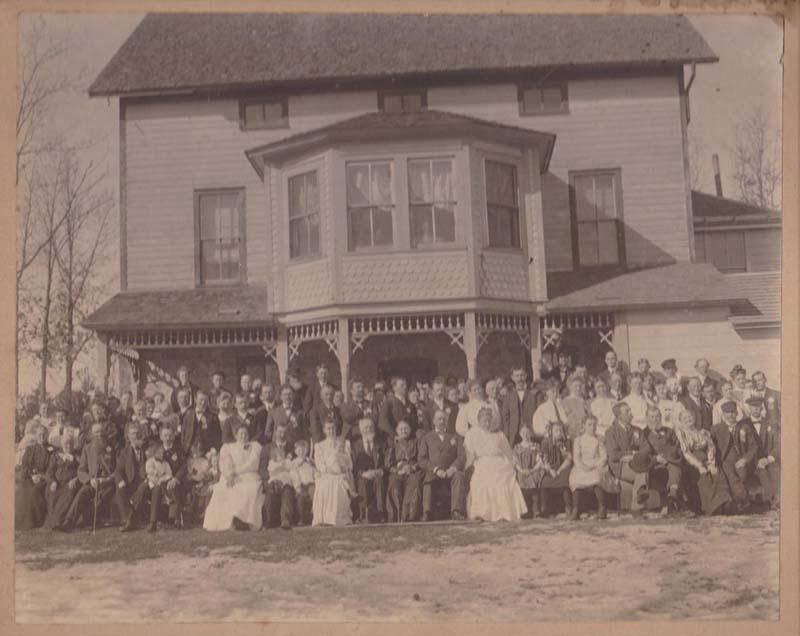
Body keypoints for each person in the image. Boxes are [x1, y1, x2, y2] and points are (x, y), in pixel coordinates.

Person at [464, 406, 527, 522]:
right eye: (484, 421)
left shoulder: (499, 434)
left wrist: (514, 463)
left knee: (504, 480)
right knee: (481, 481)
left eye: (489, 420)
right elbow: (470, 454)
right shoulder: (472, 434)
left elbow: (508, 452)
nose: (487, 423)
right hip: (482, 462)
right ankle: (481, 513)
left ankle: (503, 514)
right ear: (479, 421)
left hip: (499, 462)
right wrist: (467, 467)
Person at [204, 424, 266, 531]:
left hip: (249, 475)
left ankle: (244, 520)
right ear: (236, 435)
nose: (243, 436)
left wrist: (235, 472)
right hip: (231, 476)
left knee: (248, 489)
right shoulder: (228, 447)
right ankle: (228, 521)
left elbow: (252, 464)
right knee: (222, 489)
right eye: (241, 434)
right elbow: (225, 463)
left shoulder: (255, 446)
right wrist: (228, 474)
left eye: (245, 433)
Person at [58, 422, 117, 531]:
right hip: (92, 482)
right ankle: (68, 522)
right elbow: (81, 471)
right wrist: (90, 480)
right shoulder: (87, 448)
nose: (99, 435)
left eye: (101, 432)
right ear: (91, 434)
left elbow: (117, 470)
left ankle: (87, 520)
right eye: (96, 433)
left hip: (107, 483)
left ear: (104, 434)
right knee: (82, 493)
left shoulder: (112, 447)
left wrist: (107, 479)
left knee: (102, 498)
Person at [628, 406, 683, 514]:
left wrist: (666, 457)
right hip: (652, 464)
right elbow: (639, 454)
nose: (655, 419)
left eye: (658, 416)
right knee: (670, 467)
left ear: (661, 417)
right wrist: (656, 458)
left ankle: (673, 493)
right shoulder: (642, 434)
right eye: (652, 417)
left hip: (669, 462)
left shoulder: (669, 431)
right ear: (646, 418)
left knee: (674, 466)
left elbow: (677, 447)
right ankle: (671, 495)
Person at [675, 410, 730, 516]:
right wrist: (699, 465)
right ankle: (711, 507)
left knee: (717, 472)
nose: (688, 420)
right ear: (681, 421)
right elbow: (686, 452)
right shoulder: (681, 432)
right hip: (691, 462)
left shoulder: (702, 432)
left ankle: (724, 502)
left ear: (694, 418)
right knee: (703, 476)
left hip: (706, 459)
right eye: (685, 418)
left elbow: (710, 447)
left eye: (690, 417)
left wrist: (711, 463)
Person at [418, 409, 467, 521]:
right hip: (434, 472)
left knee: (459, 476)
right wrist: (436, 470)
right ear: (434, 421)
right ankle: (427, 512)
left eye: (444, 419)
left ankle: (456, 511)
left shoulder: (455, 437)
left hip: (450, 472)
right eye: (439, 419)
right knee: (428, 479)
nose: (442, 421)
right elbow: (422, 459)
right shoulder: (426, 437)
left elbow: (461, 456)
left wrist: (452, 468)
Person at [712, 400, 758, 513]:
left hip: (740, 460)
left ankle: (736, 503)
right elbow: (711, 447)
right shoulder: (716, 428)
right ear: (723, 414)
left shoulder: (744, 427)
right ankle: (742, 501)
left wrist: (745, 459)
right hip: (724, 460)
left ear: (737, 413)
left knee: (741, 474)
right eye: (728, 412)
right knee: (731, 475)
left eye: (733, 412)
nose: (731, 415)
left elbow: (754, 447)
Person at [312, 418, 355, 526]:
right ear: (324, 430)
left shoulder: (343, 443)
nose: (331, 431)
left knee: (339, 483)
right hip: (326, 474)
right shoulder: (319, 446)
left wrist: (340, 460)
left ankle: (338, 518)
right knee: (325, 484)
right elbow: (320, 464)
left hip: (340, 473)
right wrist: (329, 470)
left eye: (333, 428)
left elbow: (348, 463)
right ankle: (325, 518)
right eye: (328, 429)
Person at [603, 402, 644, 512]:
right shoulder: (611, 432)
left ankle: (636, 505)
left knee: (643, 472)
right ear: (619, 416)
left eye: (630, 410)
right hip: (619, 466)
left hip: (636, 463)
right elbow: (614, 455)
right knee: (643, 472)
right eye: (627, 411)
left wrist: (632, 456)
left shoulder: (637, 430)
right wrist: (631, 455)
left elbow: (645, 449)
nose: (631, 413)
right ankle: (637, 506)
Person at [742, 396, 780, 509]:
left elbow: (777, 444)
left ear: (761, 408)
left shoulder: (769, 424)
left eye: (758, 407)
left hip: (767, 458)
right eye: (753, 407)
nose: (755, 409)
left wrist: (769, 458)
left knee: (775, 468)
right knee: (762, 473)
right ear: (749, 409)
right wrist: (756, 461)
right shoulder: (743, 425)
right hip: (752, 461)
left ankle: (780, 498)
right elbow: (742, 447)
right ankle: (771, 500)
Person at [568, 415, 608, 520]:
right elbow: (576, 457)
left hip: (595, 464)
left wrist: (596, 465)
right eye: (589, 425)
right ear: (584, 426)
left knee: (597, 478)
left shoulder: (598, 440)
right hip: (582, 465)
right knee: (575, 479)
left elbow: (603, 456)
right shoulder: (578, 440)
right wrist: (583, 466)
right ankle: (576, 509)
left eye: (594, 425)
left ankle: (602, 507)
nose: (592, 427)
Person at [15, 423, 52, 530]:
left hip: (45, 478)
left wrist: (42, 476)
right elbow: (25, 466)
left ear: (47, 435)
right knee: (24, 490)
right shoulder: (30, 449)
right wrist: (32, 476)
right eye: (39, 435)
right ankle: (22, 521)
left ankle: (36, 520)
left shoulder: (52, 450)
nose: (41, 437)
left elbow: (53, 467)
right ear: (35, 436)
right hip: (30, 478)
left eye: (44, 435)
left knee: (34, 491)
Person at [385, 420, 421, 523]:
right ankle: (395, 516)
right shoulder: (392, 444)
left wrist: (413, 467)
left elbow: (421, 459)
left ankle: (409, 516)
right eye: (401, 429)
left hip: (412, 470)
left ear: (410, 430)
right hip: (398, 472)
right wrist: (398, 471)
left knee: (415, 483)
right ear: (397, 431)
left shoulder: (416, 442)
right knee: (394, 484)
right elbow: (388, 464)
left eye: (406, 428)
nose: (404, 431)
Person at [352, 418, 387, 523]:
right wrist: (363, 473)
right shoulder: (354, 446)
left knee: (379, 481)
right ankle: (363, 515)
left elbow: (387, 462)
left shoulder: (381, 444)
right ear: (361, 430)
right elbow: (352, 466)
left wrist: (380, 470)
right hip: (362, 475)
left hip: (377, 474)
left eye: (371, 427)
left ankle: (381, 514)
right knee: (362, 483)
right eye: (366, 427)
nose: (369, 429)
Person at [264, 420, 297, 530]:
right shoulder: (267, 448)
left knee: (287, 491)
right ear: (275, 432)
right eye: (280, 432)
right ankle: (269, 521)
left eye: (284, 432)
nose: (282, 435)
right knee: (271, 491)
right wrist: (268, 480)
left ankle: (285, 520)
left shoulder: (292, 448)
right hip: (272, 478)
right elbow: (263, 468)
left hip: (288, 478)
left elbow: (295, 466)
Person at [116, 424, 149, 532]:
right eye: (132, 434)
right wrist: (120, 480)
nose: (135, 436)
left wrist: (149, 477)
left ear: (141, 435)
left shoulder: (147, 450)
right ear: (128, 437)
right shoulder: (124, 452)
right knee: (120, 489)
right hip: (130, 482)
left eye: (137, 433)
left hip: (145, 481)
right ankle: (129, 519)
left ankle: (130, 522)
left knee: (143, 487)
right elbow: (118, 470)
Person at [44, 434, 80, 529]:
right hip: (57, 484)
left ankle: (59, 521)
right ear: (61, 444)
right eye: (66, 443)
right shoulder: (55, 455)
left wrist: (75, 479)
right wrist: (52, 482)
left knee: (70, 492)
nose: (68, 446)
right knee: (51, 492)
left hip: (70, 483)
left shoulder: (77, 456)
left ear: (73, 445)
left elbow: (82, 470)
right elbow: (49, 471)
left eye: (70, 444)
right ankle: (53, 520)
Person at [539, 421, 573, 517]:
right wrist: (550, 470)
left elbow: (569, 460)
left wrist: (559, 470)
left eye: (560, 430)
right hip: (550, 468)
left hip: (563, 468)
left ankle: (568, 507)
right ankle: (544, 507)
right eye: (556, 430)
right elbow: (544, 460)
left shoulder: (566, 442)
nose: (559, 433)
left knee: (565, 480)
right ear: (551, 432)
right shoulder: (545, 442)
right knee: (545, 482)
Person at [501, 366, 542, 446]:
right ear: (512, 378)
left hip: (531, 433)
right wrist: (507, 435)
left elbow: (539, 413)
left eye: (522, 375)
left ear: (526, 376)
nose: (520, 378)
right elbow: (506, 418)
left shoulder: (534, 394)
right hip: (514, 434)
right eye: (517, 376)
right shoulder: (508, 396)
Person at [512, 426, 545, 518]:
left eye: (527, 433)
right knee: (521, 483)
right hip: (522, 471)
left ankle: (536, 510)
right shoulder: (517, 447)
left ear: (531, 433)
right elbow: (515, 462)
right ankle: (525, 511)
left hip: (534, 469)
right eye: (523, 433)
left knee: (534, 483)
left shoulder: (536, 446)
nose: (525, 435)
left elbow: (540, 461)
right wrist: (521, 470)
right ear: (520, 434)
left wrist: (532, 470)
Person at [180, 391, 221, 456]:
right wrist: (184, 450)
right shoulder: (188, 415)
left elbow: (218, 436)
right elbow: (183, 435)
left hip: (207, 452)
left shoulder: (213, 417)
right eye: (201, 400)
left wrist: (214, 449)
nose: (203, 403)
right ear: (196, 399)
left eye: (205, 400)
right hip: (189, 452)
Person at [291, 440, 315, 526]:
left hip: (310, 484)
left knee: (314, 494)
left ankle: (314, 515)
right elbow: (294, 475)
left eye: (304, 450)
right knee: (300, 498)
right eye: (299, 450)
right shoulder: (294, 463)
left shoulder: (310, 461)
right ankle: (301, 518)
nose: (301, 452)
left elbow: (315, 472)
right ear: (295, 451)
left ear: (307, 450)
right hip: (300, 484)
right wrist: (297, 486)